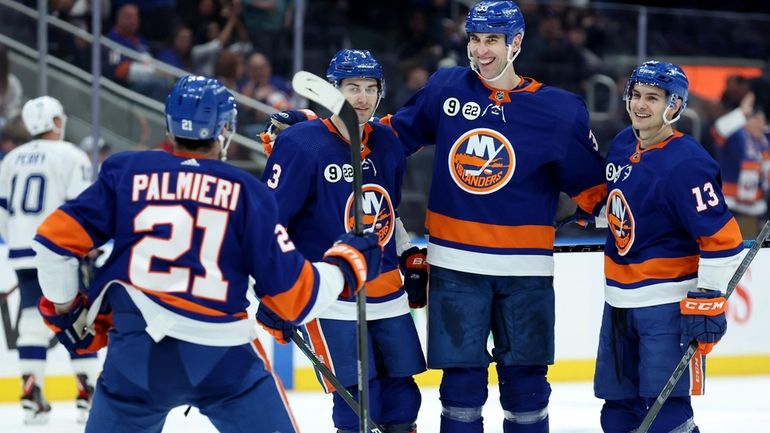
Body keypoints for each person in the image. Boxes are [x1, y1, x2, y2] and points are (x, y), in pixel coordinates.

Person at [264, 2, 607, 431]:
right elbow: (386, 133)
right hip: (456, 268)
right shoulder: (447, 88)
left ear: (516, 43)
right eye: (475, 40)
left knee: (527, 390)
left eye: (492, 41)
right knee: (460, 390)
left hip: (526, 274)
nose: (481, 51)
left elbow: (599, 195)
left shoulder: (560, 110)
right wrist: (315, 124)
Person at [30, 75, 383, 433]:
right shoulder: (247, 192)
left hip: (137, 353)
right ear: (225, 129)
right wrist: (346, 265)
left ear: (169, 125)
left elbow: (53, 242)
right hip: (221, 358)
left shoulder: (126, 172)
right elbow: (296, 298)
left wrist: (66, 309)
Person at [258, 49, 427, 433]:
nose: (362, 98)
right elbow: (269, 224)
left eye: (370, 88)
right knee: (355, 403)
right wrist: (276, 292)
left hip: (387, 291)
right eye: (352, 88)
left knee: (402, 398)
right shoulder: (303, 145)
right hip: (331, 293)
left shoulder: (387, 143)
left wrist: (407, 254)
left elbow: (388, 211)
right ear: (334, 91)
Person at [596, 61, 744, 433]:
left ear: (674, 106)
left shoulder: (688, 163)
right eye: (635, 95)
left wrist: (709, 297)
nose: (640, 105)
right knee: (616, 412)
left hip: (664, 306)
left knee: (666, 415)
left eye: (652, 98)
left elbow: (724, 240)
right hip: (617, 302)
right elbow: (629, 209)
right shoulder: (623, 144)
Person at [0, 96, 99, 424]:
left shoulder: (12, 158)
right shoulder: (71, 155)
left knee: (30, 318)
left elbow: (2, 212)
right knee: (77, 318)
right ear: (57, 121)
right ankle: (86, 393)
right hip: (60, 250)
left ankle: (31, 394)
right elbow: (81, 206)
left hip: (21, 249)